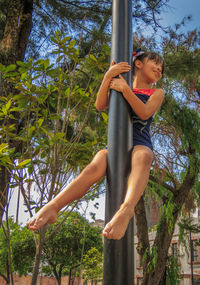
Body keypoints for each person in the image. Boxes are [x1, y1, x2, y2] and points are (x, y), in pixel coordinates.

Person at [27, 50, 164, 240]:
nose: (159, 68)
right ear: (139, 64)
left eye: (161, 68)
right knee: (94, 166)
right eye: (155, 63)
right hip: (115, 144)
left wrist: (125, 90)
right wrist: (108, 76)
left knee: (145, 156)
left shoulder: (156, 92)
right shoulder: (119, 85)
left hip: (140, 141)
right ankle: (54, 205)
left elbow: (144, 113)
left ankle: (126, 209)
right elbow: (100, 105)